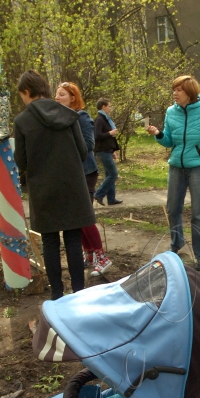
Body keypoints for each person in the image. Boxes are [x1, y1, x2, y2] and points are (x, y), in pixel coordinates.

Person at [13, 69, 96, 300]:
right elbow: (82, 151)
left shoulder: (22, 121)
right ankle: (79, 292)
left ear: (27, 92)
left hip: (43, 189)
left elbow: (21, 161)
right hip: (72, 185)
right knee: (72, 238)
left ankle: (57, 294)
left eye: (22, 95)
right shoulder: (69, 114)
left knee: (50, 241)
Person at [146, 75, 200, 271]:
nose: (175, 93)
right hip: (176, 167)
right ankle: (176, 246)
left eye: (179, 90)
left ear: (190, 93)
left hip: (197, 168)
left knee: (198, 213)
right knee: (172, 209)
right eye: (174, 90)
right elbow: (170, 140)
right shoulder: (171, 112)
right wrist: (159, 134)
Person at [55, 82, 113, 276]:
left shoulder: (82, 117)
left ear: (73, 98)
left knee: (84, 216)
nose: (57, 98)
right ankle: (89, 255)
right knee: (77, 218)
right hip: (70, 174)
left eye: (61, 94)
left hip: (86, 173)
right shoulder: (60, 118)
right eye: (56, 94)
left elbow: (89, 144)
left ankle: (102, 258)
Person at [93, 98, 123, 206]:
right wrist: (110, 133)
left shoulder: (105, 119)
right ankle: (98, 194)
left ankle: (111, 199)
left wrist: (112, 150)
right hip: (102, 151)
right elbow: (96, 135)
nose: (110, 108)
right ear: (103, 107)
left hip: (107, 150)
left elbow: (107, 138)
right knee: (113, 174)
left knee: (109, 174)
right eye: (109, 106)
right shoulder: (100, 119)